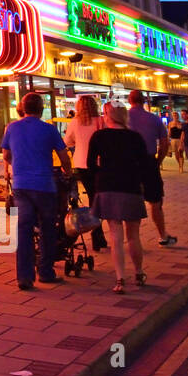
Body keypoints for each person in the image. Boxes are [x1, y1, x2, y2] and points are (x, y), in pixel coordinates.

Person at [1, 93, 73, 290]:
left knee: (24, 229)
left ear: (23, 109)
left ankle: (24, 277)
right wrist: (69, 172)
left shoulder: (12, 128)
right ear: (41, 109)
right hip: (44, 186)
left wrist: (19, 164)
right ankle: (46, 271)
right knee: (47, 228)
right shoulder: (49, 130)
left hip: (21, 186)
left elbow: (6, 154)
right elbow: (64, 157)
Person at [87, 103, 149, 294]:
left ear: (107, 115)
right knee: (133, 235)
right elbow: (144, 164)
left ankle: (120, 278)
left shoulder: (99, 136)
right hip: (130, 187)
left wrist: (101, 174)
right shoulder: (135, 137)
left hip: (108, 187)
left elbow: (90, 164)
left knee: (115, 236)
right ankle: (139, 272)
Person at [128, 90, 175, 246]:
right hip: (149, 162)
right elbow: (164, 144)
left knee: (132, 201)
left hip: (129, 164)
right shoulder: (154, 119)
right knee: (155, 201)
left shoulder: (123, 119)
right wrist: (158, 161)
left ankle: (133, 239)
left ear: (129, 100)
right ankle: (162, 235)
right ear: (143, 101)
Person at [64, 95, 107, 252]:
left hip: (81, 163)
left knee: (92, 195)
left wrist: (79, 142)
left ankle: (97, 232)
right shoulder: (101, 121)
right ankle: (98, 233)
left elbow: (67, 141)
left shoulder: (75, 122)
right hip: (98, 163)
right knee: (97, 196)